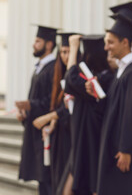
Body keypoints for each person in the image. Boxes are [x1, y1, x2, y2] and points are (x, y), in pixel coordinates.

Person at [96, 14, 132, 195]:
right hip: (116, 145)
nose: (106, 47)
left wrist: (127, 149)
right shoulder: (123, 70)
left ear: (125, 42)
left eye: (110, 42)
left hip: (128, 150)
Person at [63, 34, 113, 195]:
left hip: (90, 138)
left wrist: (74, 49)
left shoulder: (100, 80)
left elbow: (69, 79)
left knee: (91, 183)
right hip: (84, 137)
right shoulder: (101, 77)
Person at [15, 25, 58, 195]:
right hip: (35, 129)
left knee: (47, 178)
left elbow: (52, 100)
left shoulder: (53, 68)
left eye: (38, 41)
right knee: (41, 179)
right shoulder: (39, 68)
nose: (34, 44)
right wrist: (24, 112)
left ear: (48, 44)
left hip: (47, 131)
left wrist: (31, 105)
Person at [32, 33, 76, 195]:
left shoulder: (76, 75)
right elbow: (57, 104)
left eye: (68, 52)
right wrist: (51, 125)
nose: (65, 56)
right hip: (60, 135)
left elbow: (71, 107)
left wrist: (48, 118)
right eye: (62, 52)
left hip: (72, 135)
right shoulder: (59, 73)